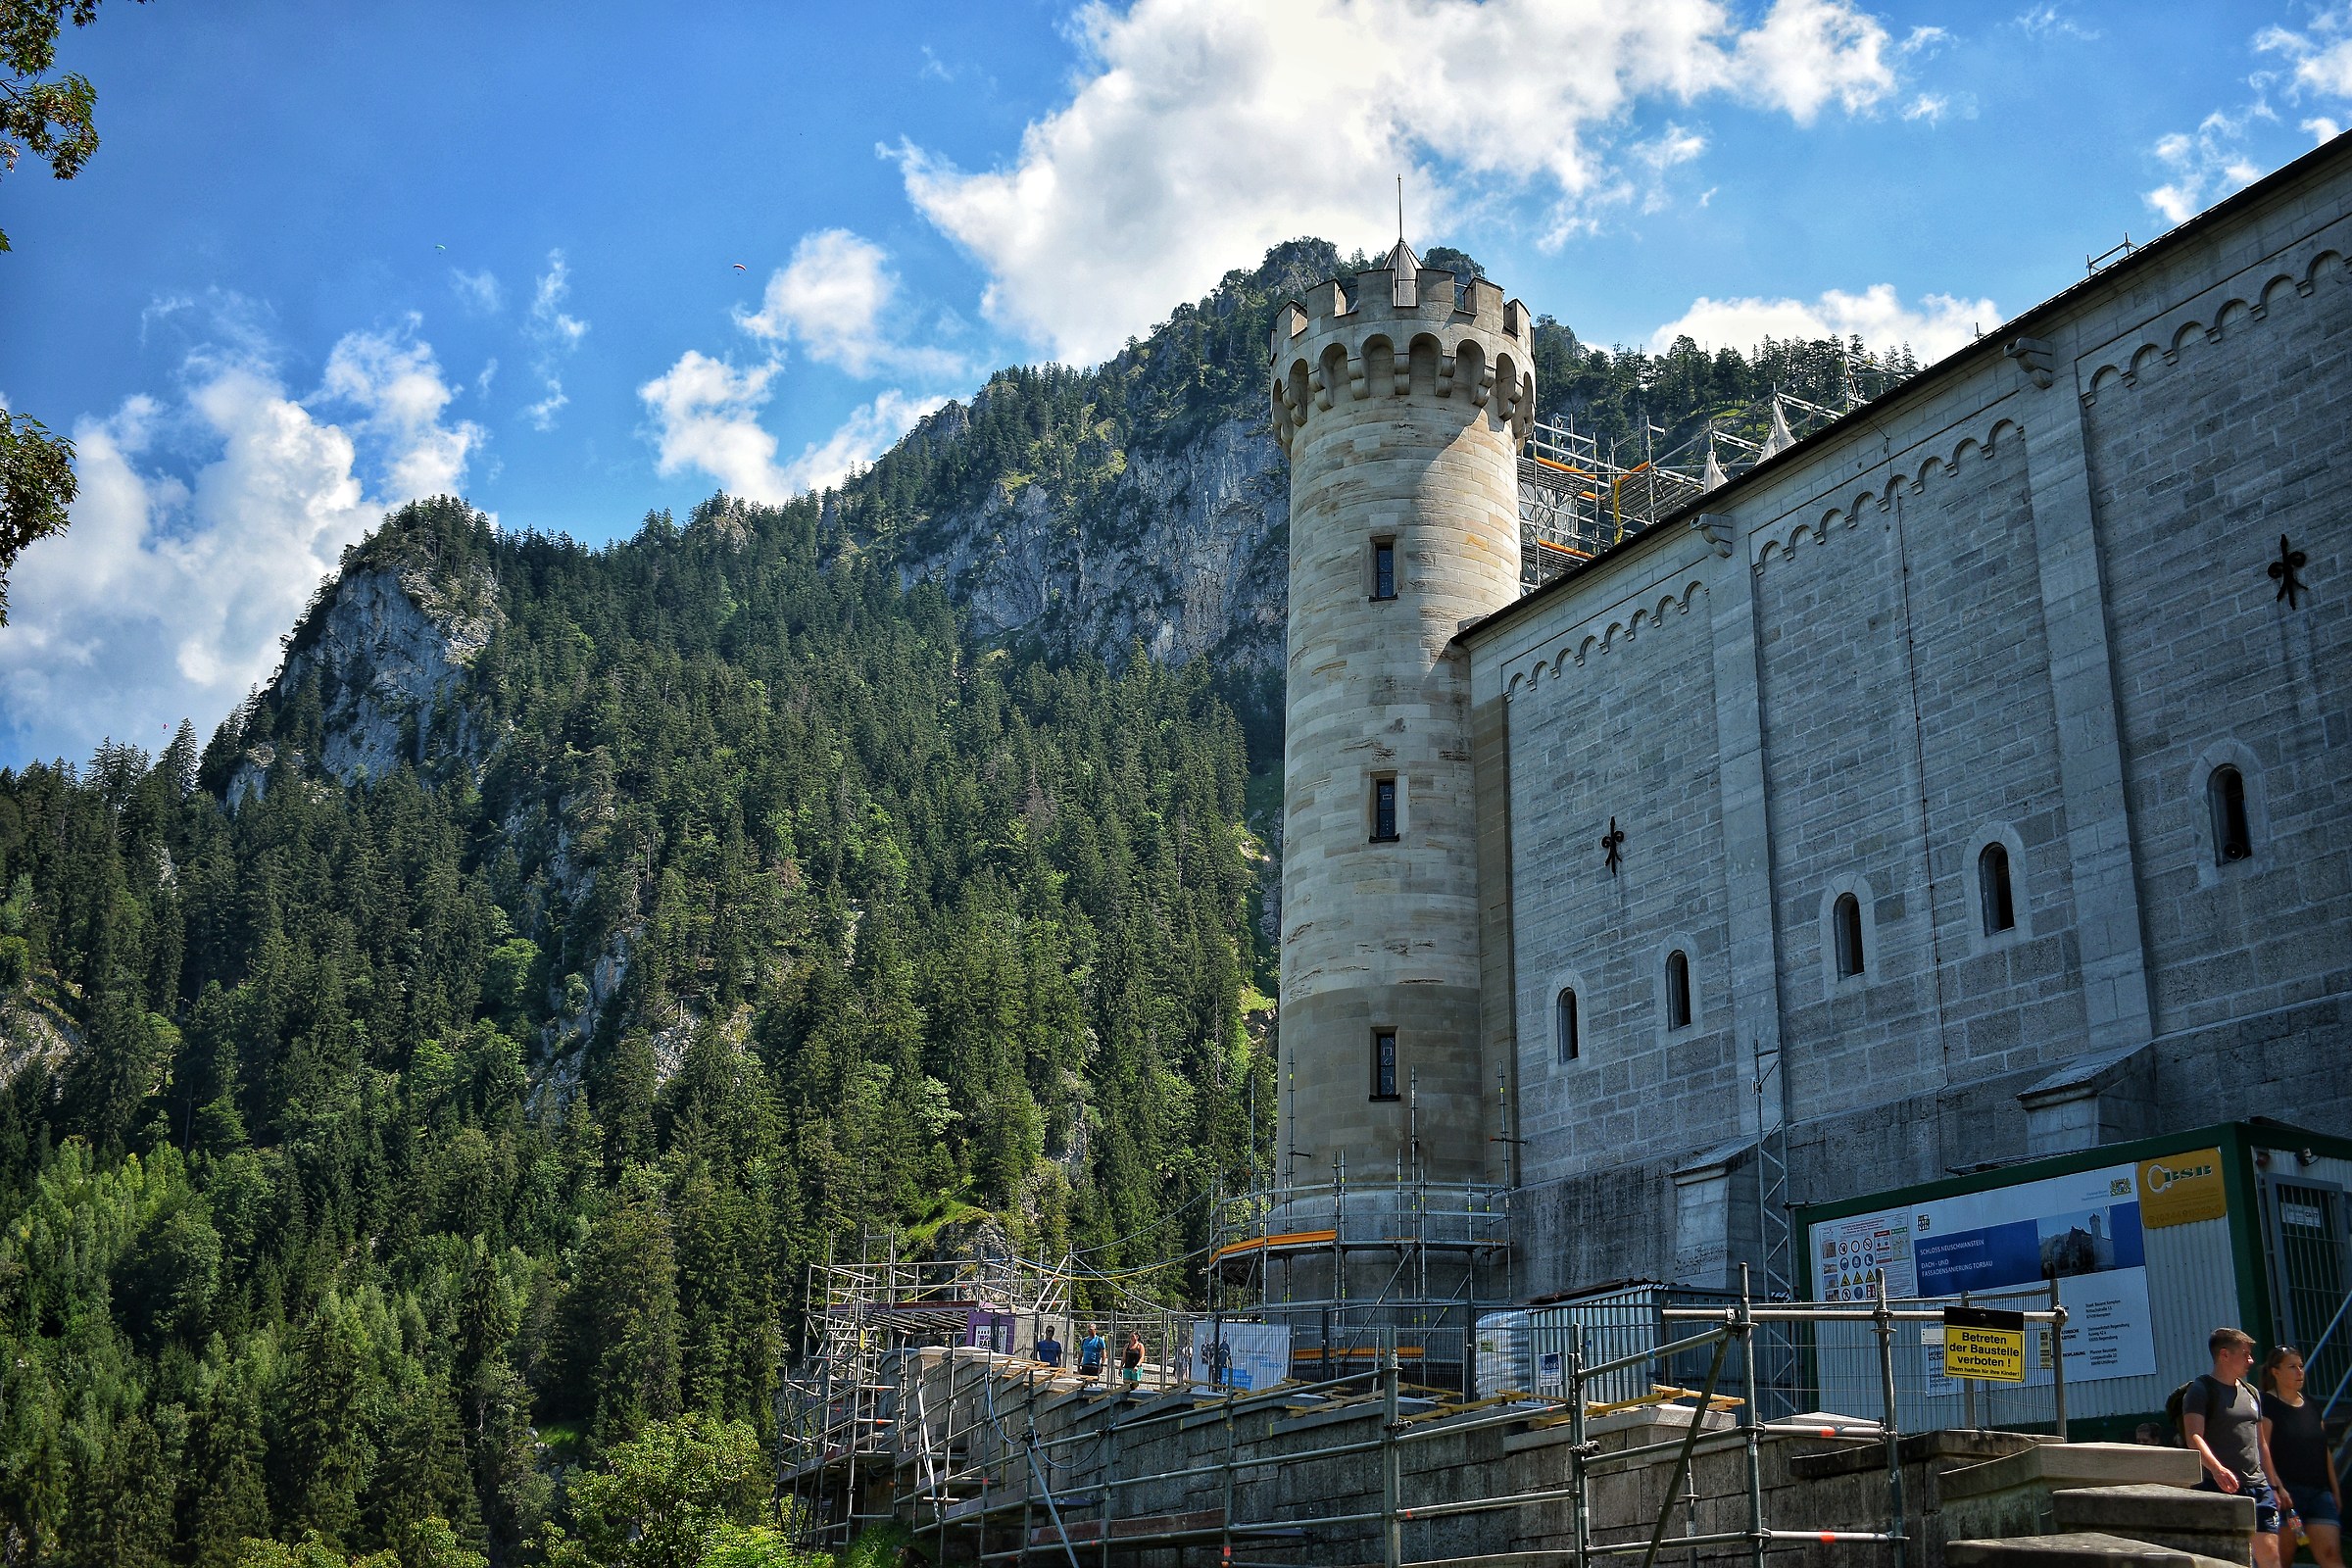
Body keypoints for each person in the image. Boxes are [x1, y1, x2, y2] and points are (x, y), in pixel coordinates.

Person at [2183, 1327, 2288, 1568]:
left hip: (2258, 1487)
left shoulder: (2252, 1392)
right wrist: (2217, 1469)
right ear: (2224, 1355)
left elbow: (2261, 1442)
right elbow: (2194, 1437)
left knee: (2271, 1558)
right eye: (2245, 1354)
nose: (2251, 1360)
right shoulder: (2200, 1390)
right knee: (2228, 1561)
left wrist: (2274, 1485)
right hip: (2218, 1487)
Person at [2263, 1345, 2344, 1568]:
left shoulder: (2311, 1404)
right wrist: (2277, 1487)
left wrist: (2334, 1490)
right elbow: (2263, 1450)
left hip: (2319, 1493)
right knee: (2282, 1559)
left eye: (2301, 1366)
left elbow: (2323, 1449)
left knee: (2331, 1555)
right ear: (2275, 1372)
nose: (2299, 1372)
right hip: (2286, 1495)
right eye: (2292, 1367)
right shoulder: (2266, 1405)